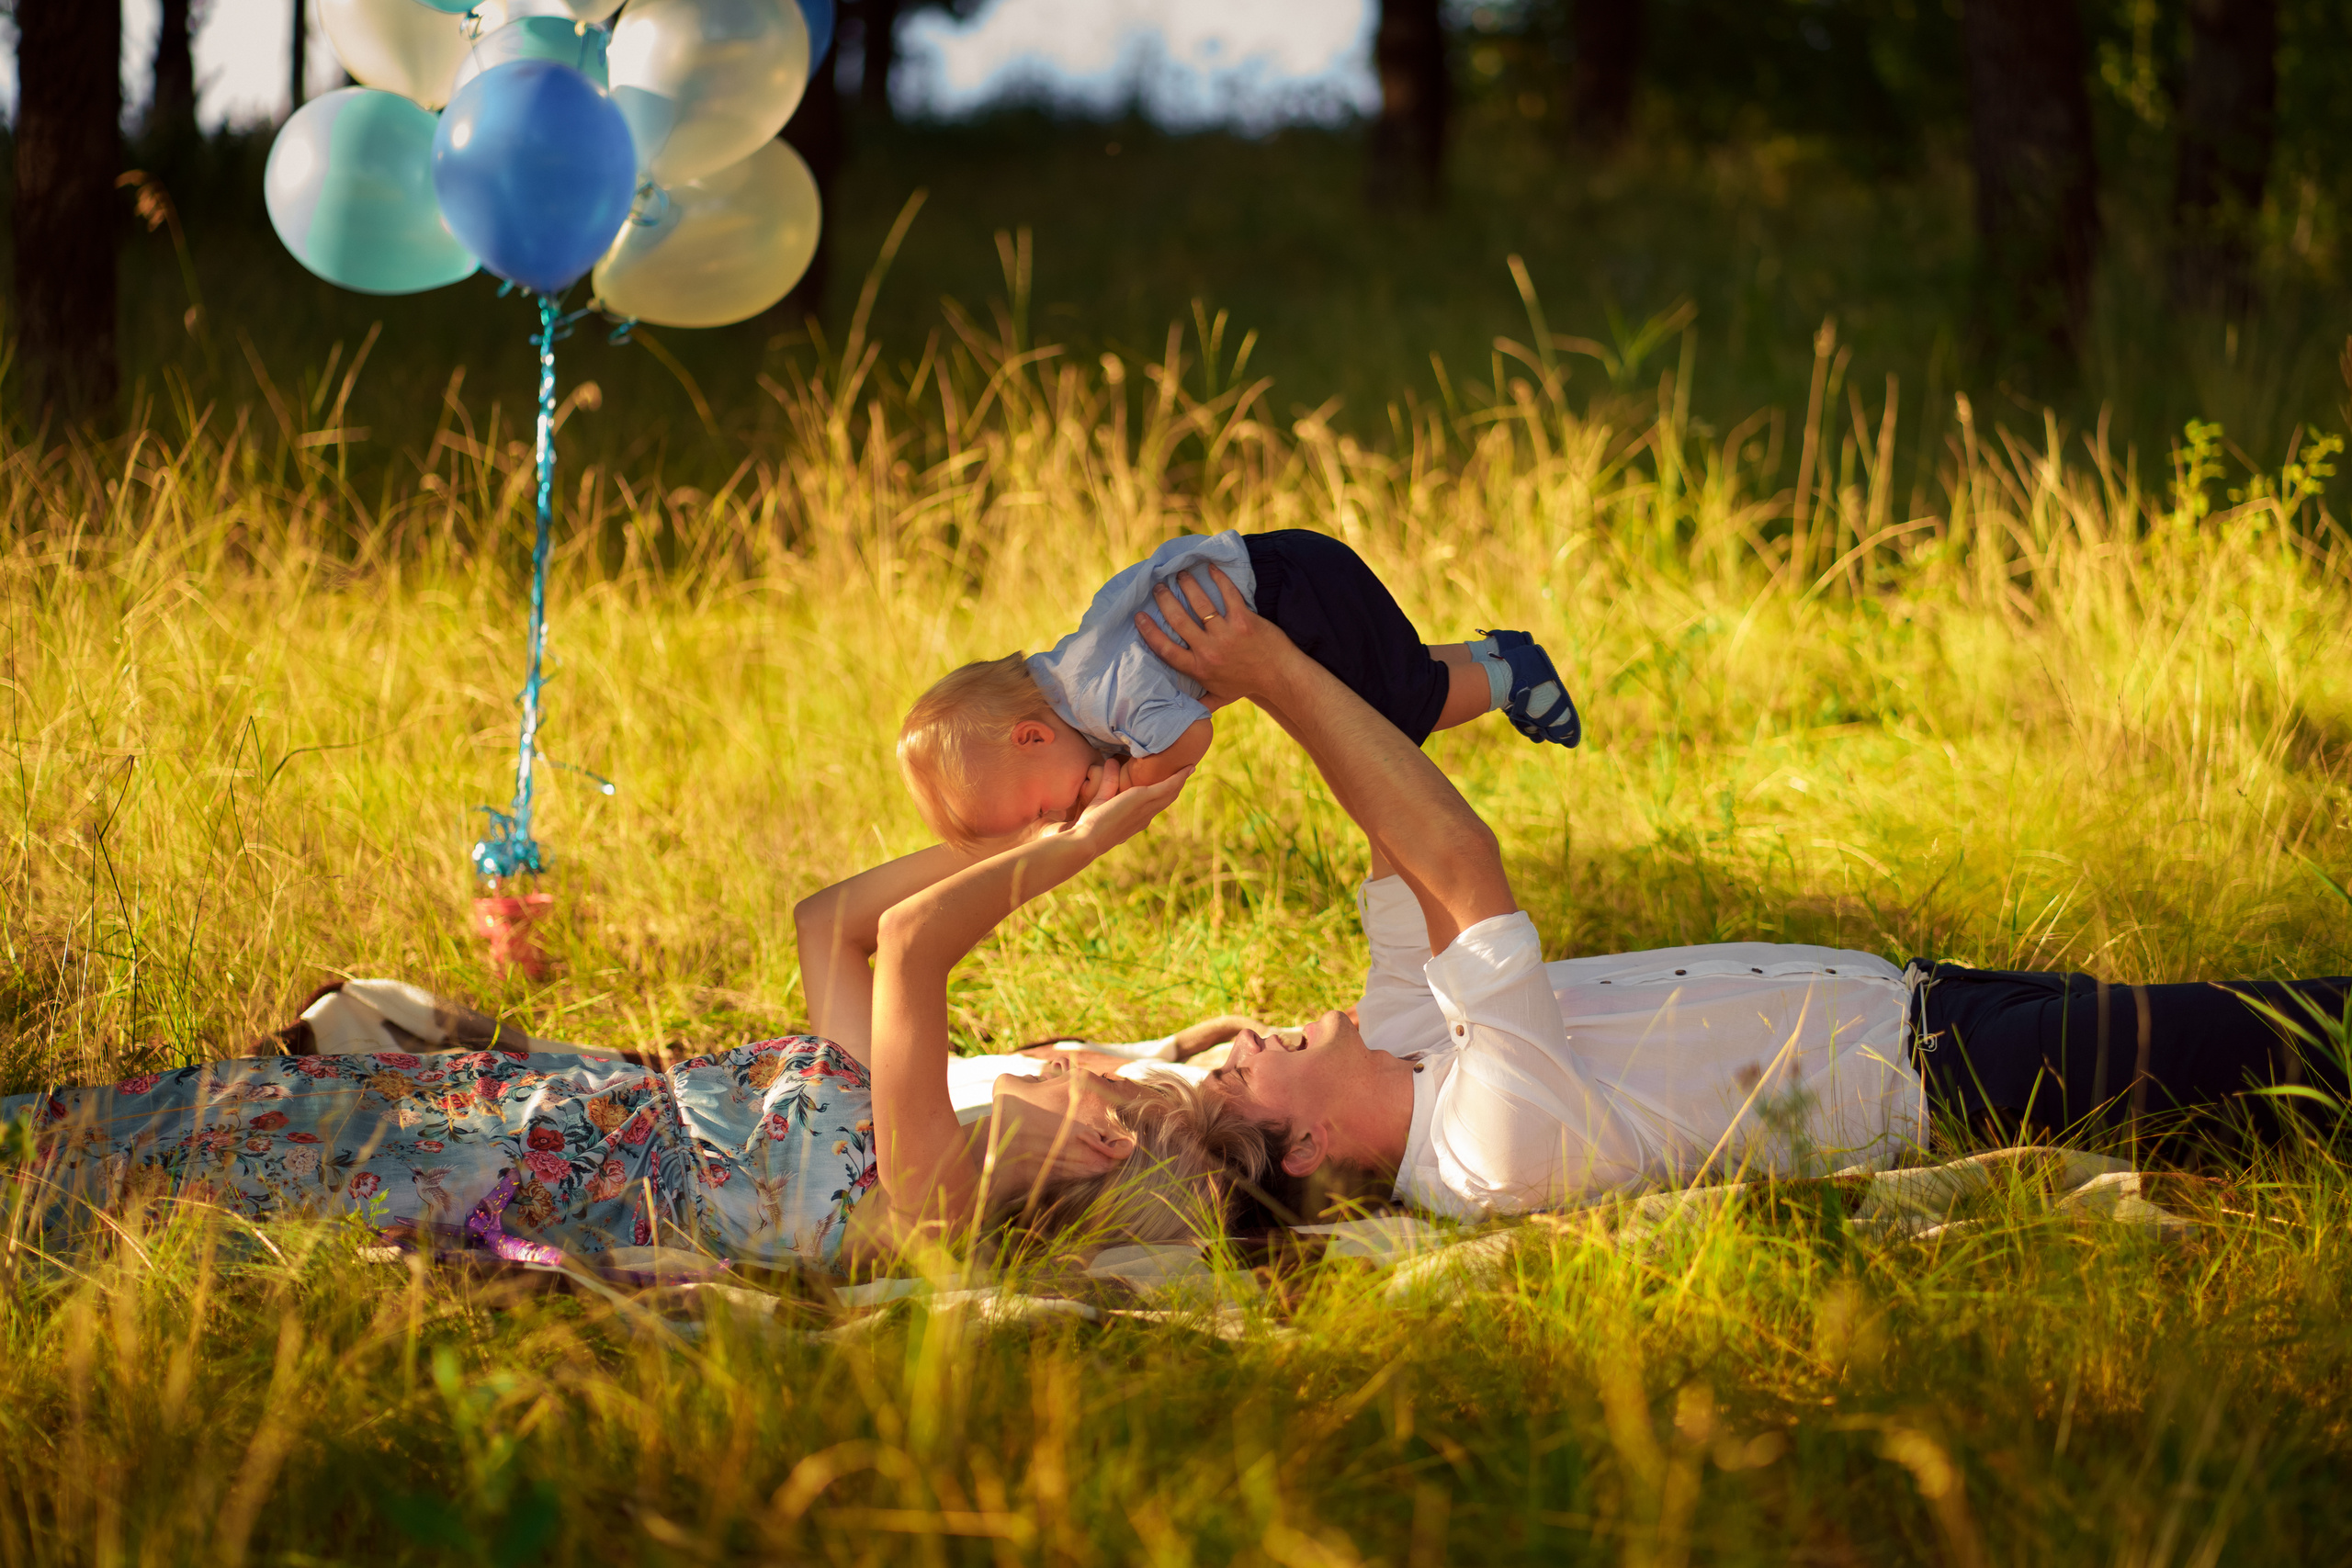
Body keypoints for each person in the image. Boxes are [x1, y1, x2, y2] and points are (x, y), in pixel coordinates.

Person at [1131, 565, 2352, 1219]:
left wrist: (1320, 666)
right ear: (1307, 1146)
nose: (1244, 1038)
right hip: (1957, 1083)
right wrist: (1271, 671)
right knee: (2302, 1034)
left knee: (2265, 1098)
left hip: (1929, 1000)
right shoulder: (1480, 1155)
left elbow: (1395, 827)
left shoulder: (1401, 1034)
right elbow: (1461, 861)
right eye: (1236, 1075)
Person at [5, 765, 1266, 1272]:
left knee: (114, 1181)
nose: (1049, 1060)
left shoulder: (925, 1195)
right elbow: (833, 922)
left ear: (1095, 1140)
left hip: (465, 1160)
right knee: (125, 1128)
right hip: (470, 1103)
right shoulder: (896, 1129)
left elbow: (912, 949)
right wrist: (1033, 823)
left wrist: (1088, 839)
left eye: (1083, 1071)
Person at [895, 528, 1581, 847]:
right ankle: (1495, 651)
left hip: (1292, 598)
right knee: (1386, 670)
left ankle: (1510, 677)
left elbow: (1192, 736)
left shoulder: (1105, 704)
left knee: (1393, 713)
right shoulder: (1076, 670)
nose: (1065, 813)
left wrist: (1136, 780)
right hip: (1289, 568)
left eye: (1046, 806)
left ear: (1032, 737)